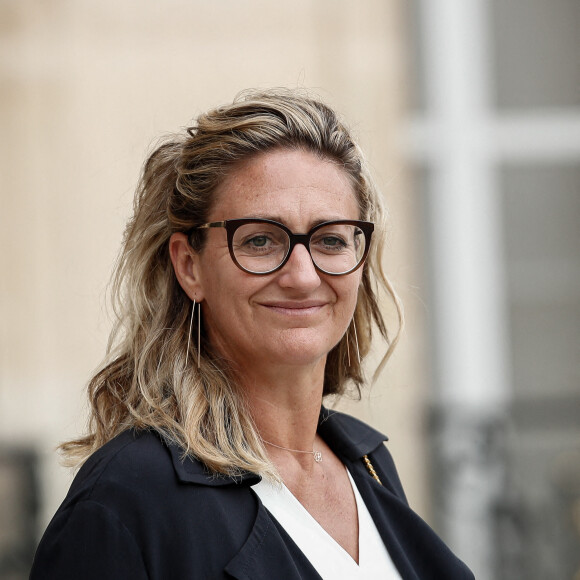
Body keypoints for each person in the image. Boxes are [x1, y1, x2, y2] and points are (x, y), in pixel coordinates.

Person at [30, 89, 474, 579]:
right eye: (260, 240)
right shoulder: (126, 499)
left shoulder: (368, 466)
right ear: (189, 265)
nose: (303, 276)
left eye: (330, 240)